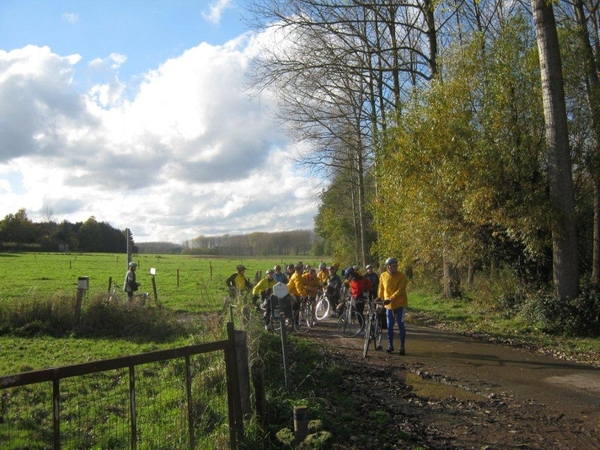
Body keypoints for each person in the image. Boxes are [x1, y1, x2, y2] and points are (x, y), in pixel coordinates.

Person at [378, 257, 408, 355]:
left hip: (400, 303)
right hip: (388, 305)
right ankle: (390, 345)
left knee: (400, 324)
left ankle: (402, 346)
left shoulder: (401, 276)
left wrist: (390, 299)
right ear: (388, 267)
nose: (396, 267)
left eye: (396, 265)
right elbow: (381, 289)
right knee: (389, 325)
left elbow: (401, 290)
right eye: (394, 266)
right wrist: (380, 298)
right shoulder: (383, 275)